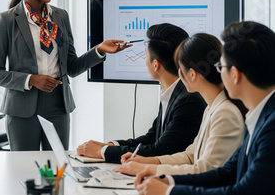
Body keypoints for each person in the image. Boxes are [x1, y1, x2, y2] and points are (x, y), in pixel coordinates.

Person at [0, 0, 130, 151]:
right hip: (21, 108)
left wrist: (99, 50)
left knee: (56, 168)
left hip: (58, 105)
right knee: (23, 169)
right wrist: (32, 79)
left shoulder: (60, 16)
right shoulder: (7, 20)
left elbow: (72, 67)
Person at [135, 21, 275, 195]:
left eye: (221, 67)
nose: (218, 72)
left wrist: (169, 191)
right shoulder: (257, 116)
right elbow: (227, 173)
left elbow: (244, 191)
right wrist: (165, 179)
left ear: (235, 75)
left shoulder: (268, 125)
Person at [113, 33, 245, 176]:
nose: (179, 75)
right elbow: (190, 156)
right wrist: (149, 161)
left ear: (192, 74)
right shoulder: (212, 107)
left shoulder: (225, 113)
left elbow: (205, 169)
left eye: (180, 69)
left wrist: (150, 169)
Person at [76, 23, 206, 163]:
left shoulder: (188, 101)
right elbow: (151, 138)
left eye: (145, 56)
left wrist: (101, 152)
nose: (145, 61)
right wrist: (110, 145)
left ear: (155, 64)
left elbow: (160, 150)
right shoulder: (174, 92)